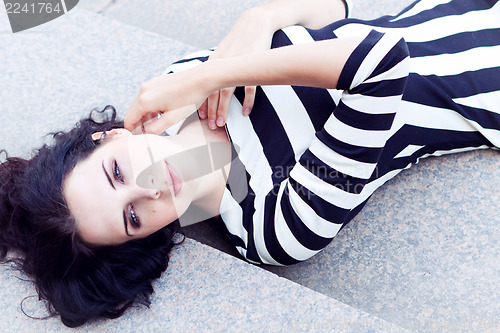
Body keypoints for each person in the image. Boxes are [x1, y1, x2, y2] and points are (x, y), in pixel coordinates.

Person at [0, 0, 498, 327]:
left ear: (108, 137)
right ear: (143, 241)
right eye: (132, 217)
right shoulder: (274, 224)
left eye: (116, 172)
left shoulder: (174, 90)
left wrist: (259, 18)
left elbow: (338, 9)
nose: (150, 188)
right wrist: (222, 69)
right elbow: (384, 64)